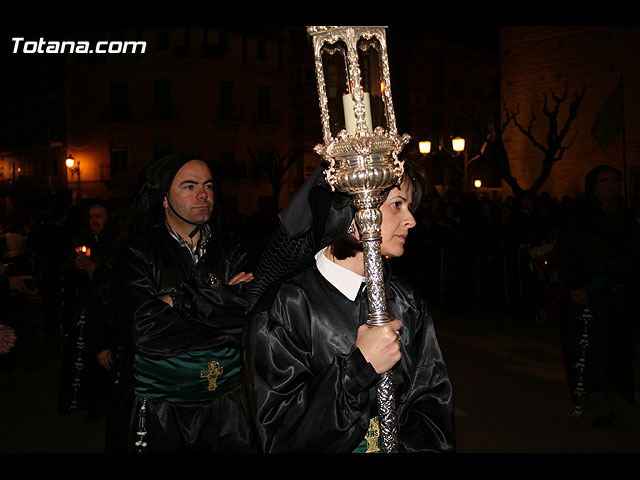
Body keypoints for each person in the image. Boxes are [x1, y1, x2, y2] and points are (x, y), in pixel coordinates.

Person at [243, 159, 455, 453]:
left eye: (409, 206)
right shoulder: (286, 309)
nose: (411, 220)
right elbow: (282, 435)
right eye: (396, 204)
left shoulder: (407, 302)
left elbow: (431, 408)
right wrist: (359, 369)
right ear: (352, 213)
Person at [112, 152, 256, 453]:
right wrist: (217, 298)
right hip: (162, 409)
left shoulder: (233, 249)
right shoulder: (138, 253)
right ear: (164, 198)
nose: (203, 194)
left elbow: (247, 319)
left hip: (226, 406)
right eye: (189, 186)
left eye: (209, 185)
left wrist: (173, 301)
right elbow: (144, 331)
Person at [558, 165, 638, 429]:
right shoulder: (580, 215)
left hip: (616, 295)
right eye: (605, 180)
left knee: (615, 349)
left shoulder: (625, 217)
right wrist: (575, 284)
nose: (611, 185)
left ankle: (610, 400)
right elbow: (568, 250)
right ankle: (594, 405)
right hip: (588, 295)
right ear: (594, 185)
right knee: (591, 351)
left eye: (616, 180)